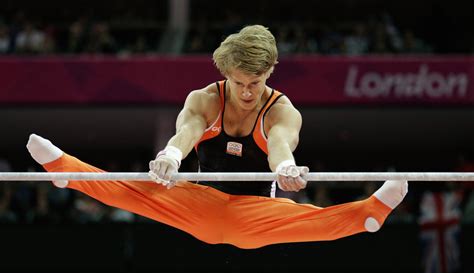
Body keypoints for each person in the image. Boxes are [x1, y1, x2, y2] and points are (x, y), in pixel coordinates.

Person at [26, 25, 408, 249]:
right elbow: (188, 131)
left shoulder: (281, 110)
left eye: (254, 83)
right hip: (199, 204)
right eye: (238, 83)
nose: (245, 93)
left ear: (271, 71)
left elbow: (279, 144)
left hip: (255, 217)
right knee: (139, 189)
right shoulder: (206, 99)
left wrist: (286, 169)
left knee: (306, 219)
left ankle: (367, 214)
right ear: (225, 74)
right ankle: (66, 170)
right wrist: (171, 157)